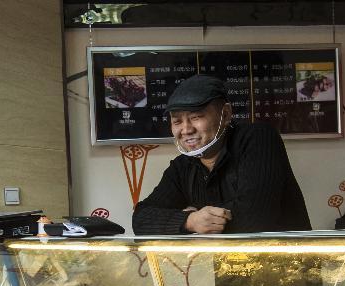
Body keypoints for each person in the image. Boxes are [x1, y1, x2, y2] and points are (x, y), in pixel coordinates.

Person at [132, 74, 312, 235]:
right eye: (177, 121)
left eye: (196, 117)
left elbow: (255, 217)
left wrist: (198, 217)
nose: (186, 129)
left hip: (287, 264)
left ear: (225, 115)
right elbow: (140, 219)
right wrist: (190, 221)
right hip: (227, 267)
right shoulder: (182, 166)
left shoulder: (257, 137)